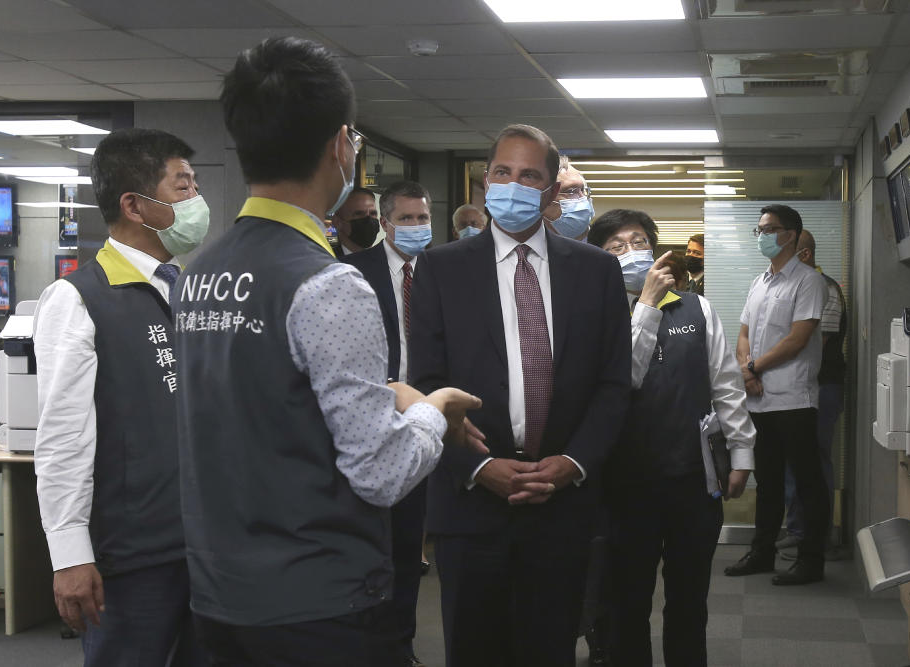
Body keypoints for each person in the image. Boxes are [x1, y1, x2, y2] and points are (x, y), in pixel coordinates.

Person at [172, 36, 485, 667]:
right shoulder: (328, 283)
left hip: (219, 594)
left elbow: (263, 403)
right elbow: (381, 472)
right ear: (343, 145)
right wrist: (434, 409)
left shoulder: (199, 269)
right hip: (316, 604)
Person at [409, 123, 631, 667]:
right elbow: (428, 384)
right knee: (475, 650)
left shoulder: (597, 271)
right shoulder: (440, 269)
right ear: (485, 183)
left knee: (548, 649)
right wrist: (478, 467)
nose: (513, 184)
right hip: (471, 504)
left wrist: (573, 462)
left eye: (529, 175)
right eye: (502, 173)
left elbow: (612, 384)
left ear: (552, 191)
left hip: (563, 506)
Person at [33, 127, 211, 666]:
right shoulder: (78, 298)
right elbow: (63, 437)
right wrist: (68, 555)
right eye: (183, 188)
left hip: (202, 545)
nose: (197, 201)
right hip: (131, 556)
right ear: (134, 205)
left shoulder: (183, 287)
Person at [588, 209, 755, 667]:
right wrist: (644, 306)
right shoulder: (594, 313)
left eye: (638, 241)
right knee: (628, 603)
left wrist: (741, 453)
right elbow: (625, 379)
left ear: (656, 248)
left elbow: (725, 383)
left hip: (691, 480)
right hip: (625, 485)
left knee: (688, 601)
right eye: (616, 246)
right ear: (599, 258)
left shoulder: (696, 308)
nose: (630, 252)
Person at [344, 180, 434, 667]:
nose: (419, 227)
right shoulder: (352, 272)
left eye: (424, 219)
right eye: (408, 219)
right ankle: (370, 645)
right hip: (375, 419)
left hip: (435, 414)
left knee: (412, 549)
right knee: (381, 544)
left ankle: (402, 647)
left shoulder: (446, 271)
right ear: (384, 223)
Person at [724, 204, 829, 585]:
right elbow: (744, 335)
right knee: (766, 480)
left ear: (791, 234)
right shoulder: (758, 282)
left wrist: (753, 369)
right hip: (759, 398)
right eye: (759, 229)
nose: (762, 236)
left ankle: (811, 560)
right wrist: (746, 371)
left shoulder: (808, 281)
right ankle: (762, 551)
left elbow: (798, 340)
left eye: (770, 229)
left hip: (794, 399)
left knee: (806, 481)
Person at [778, 229, 847, 554]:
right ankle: (797, 528)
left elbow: (814, 345)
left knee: (815, 460)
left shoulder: (825, 289)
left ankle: (818, 535)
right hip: (797, 387)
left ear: (804, 254)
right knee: (794, 459)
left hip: (821, 388)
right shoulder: (796, 288)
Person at [541, 156, 594, 240]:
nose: (583, 198)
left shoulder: (607, 245)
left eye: (583, 190)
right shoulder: (525, 249)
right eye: (571, 191)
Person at [332, 186, 380, 256]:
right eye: (359, 214)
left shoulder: (387, 260)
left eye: (373, 213)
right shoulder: (325, 260)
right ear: (337, 222)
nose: (368, 219)